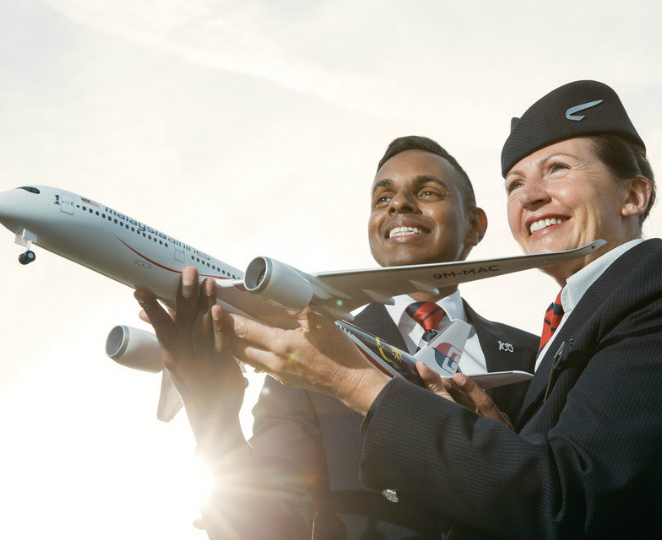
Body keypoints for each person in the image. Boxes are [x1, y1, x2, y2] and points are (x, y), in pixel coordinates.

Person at [221, 81, 662, 539]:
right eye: (515, 183)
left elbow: (564, 497)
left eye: (556, 168)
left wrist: (352, 379)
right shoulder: (568, 327)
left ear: (634, 195)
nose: (529, 196)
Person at [135, 135, 538, 539]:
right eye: (382, 199)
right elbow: (270, 529)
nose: (398, 205)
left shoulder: (535, 355)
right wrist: (212, 416)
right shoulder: (300, 355)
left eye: (428, 192)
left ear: (474, 225)